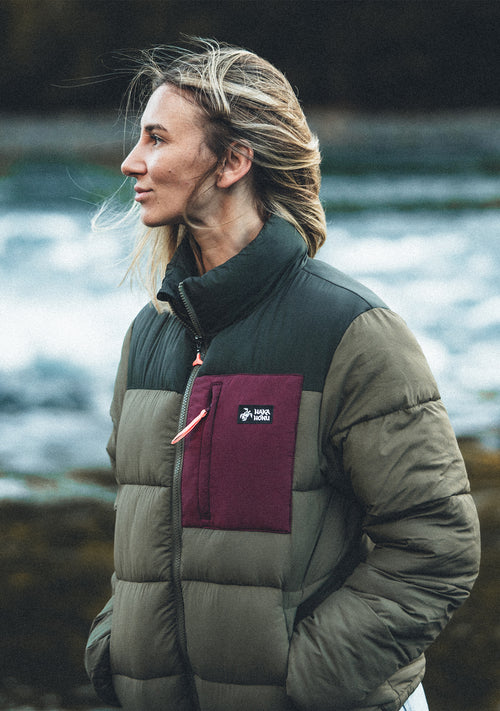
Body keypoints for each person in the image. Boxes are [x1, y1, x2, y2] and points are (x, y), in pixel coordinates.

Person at [85, 39, 480, 711]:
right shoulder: (149, 335)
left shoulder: (351, 331)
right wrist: (115, 652)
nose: (131, 162)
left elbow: (437, 545)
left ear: (233, 161)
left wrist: (305, 684)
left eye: (157, 138)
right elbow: (140, 532)